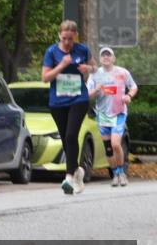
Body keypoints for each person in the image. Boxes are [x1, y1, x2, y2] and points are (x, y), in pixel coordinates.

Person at [41, 20, 95, 195]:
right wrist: (62, 65)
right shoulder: (52, 52)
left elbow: (95, 68)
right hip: (58, 102)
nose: (67, 42)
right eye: (64, 38)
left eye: (70, 39)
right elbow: (45, 78)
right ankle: (77, 171)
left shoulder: (83, 50)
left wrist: (89, 69)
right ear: (59, 35)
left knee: (72, 135)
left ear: (75, 36)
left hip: (79, 99)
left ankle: (69, 177)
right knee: (66, 139)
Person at [87, 46, 137, 188]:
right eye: (103, 55)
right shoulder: (95, 75)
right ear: (100, 59)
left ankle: (122, 173)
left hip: (118, 113)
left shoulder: (122, 72)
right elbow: (87, 95)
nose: (106, 57)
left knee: (116, 144)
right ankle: (115, 174)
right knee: (108, 148)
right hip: (103, 115)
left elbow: (133, 87)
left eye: (109, 55)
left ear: (113, 58)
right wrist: (96, 90)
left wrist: (129, 96)